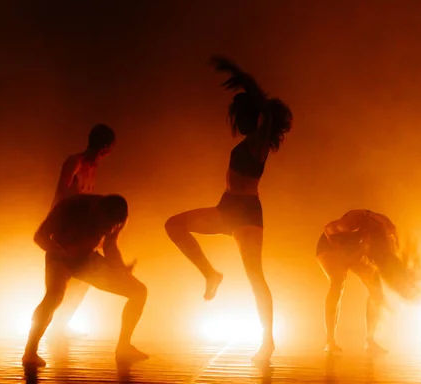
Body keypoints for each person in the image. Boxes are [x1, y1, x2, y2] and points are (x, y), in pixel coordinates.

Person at [164, 56, 292, 362]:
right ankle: (211, 274)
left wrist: (241, 74)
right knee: (173, 225)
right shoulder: (251, 140)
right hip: (228, 206)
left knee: (255, 276)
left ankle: (268, 341)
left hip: (246, 212)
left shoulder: (259, 142)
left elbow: (263, 108)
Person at [22, 194, 148, 368]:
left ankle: (124, 347)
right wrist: (60, 253)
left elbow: (110, 245)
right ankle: (30, 351)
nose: (107, 228)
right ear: (97, 210)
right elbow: (40, 236)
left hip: (87, 260)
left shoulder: (118, 219)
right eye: (104, 224)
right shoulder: (70, 205)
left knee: (138, 291)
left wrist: (120, 269)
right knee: (54, 297)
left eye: (110, 226)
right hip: (59, 257)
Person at [316, 210, 421, 355]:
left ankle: (370, 341)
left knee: (376, 288)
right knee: (337, 282)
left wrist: (363, 250)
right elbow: (328, 229)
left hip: (357, 250)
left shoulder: (388, 232)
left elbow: (387, 257)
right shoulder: (353, 222)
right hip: (331, 248)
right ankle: (330, 341)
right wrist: (343, 252)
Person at [48, 124, 115, 340]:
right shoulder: (75, 161)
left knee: (85, 278)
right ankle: (46, 331)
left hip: (82, 226)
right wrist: (52, 225)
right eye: (111, 148)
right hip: (66, 226)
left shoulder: (94, 167)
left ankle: (62, 325)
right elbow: (62, 193)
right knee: (59, 284)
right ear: (105, 147)